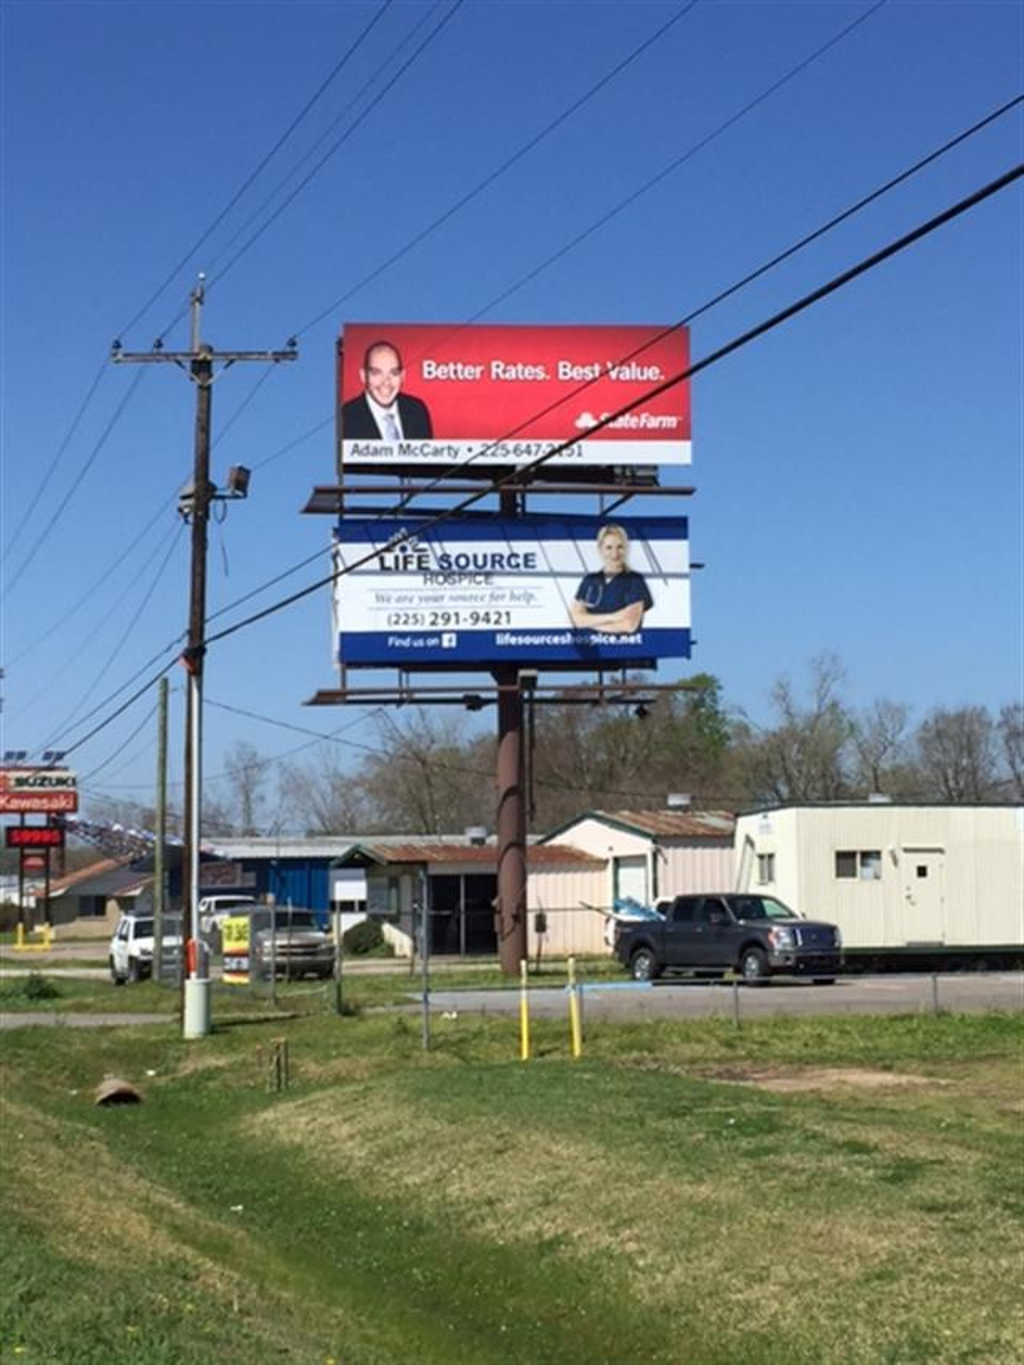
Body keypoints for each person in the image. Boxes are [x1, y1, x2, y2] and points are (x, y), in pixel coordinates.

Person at [341, 340, 433, 441]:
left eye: (393, 373)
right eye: (376, 373)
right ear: (363, 376)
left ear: (402, 376)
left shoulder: (417, 410)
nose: (386, 382)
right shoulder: (345, 417)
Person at [569, 524, 653, 634]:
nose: (615, 554)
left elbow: (629, 625)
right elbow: (575, 619)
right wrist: (615, 616)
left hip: (626, 649)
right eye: (609, 547)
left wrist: (589, 623)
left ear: (626, 548)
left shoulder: (635, 581)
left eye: (620, 547)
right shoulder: (590, 581)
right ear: (600, 549)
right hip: (593, 647)